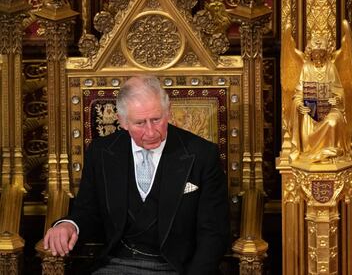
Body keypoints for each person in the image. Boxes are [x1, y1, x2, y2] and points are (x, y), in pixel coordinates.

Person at [43, 75, 230, 274]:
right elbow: (88, 211)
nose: (151, 132)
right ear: (122, 121)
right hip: (116, 264)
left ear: (168, 112)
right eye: (140, 123)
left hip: (176, 267)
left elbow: (214, 233)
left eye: (156, 119)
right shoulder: (101, 152)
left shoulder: (202, 154)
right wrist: (68, 225)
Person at [290, 36, 350, 162]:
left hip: (330, 109)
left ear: (325, 53)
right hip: (311, 110)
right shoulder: (306, 68)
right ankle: (309, 151)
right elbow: (299, 93)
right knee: (306, 119)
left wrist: (337, 99)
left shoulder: (331, 68)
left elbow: (339, 91)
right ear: (310, 54)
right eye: (315, 54)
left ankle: (331, 153)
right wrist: (300, 104)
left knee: (333, 122)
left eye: (320, 53)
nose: (317, 57)